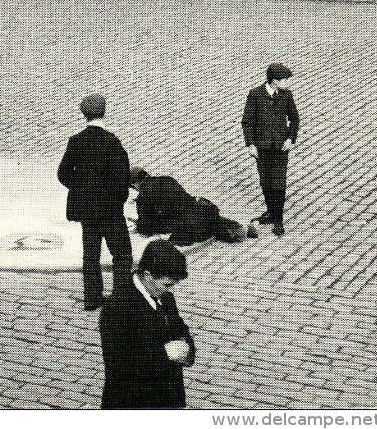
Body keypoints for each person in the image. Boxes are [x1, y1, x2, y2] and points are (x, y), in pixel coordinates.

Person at [57, 93, 133, 310]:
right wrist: (116, 201)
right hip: (110, 212)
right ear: (104, 112)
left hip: (87, 212)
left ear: (84, 114)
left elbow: (63, 173)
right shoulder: (112, 143)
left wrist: (82, 190)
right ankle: (121, 300)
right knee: (121, 254)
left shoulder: (76, 141)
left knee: (90, 256)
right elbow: (121, 180)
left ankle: (92, 298)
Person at [99, 239, 195, 409]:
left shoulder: (166, 298)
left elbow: (181, 330)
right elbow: (119, 367)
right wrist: (164, 355)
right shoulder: (116, 308)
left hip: (167, 399)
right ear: (148, 276)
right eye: (167, 284)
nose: (170, 290)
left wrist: (186, 347)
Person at [242, 63, 300, 237]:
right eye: (284, 80)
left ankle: (278, 220)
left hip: (281, 147)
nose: (287, 83)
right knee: (266, 182)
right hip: (262, 147)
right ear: (274, 81)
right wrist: (251, 144)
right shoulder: (255, 94)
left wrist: (291, 139)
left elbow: (295, 119)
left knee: (279, 183)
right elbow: (247, 121)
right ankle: (270, 212)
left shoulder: (287, 95)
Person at [131, 167, 246, 245]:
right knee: (200, 216)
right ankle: (230, 229)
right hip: (200, 213)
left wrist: (139, 225)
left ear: (136, 183)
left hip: (188, 229)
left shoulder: (143, 196)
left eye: (132, 187)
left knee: (167, 224)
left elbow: (145, 227)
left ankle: (223, 231)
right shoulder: (167, 179)